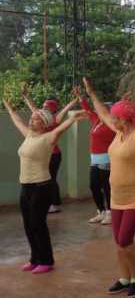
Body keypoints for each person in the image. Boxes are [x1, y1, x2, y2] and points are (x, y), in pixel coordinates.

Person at [83, 78, 135, 298]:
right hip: (117, 197)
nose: (112, 119)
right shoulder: (118, 132)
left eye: (116, 117)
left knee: (125, 239)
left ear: (125, 119)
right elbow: (103, 113)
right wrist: (92, 93)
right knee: (118, 242)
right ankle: (124, 277)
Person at [3, 98, 83, 274]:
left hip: (42, 186)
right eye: (32, 118)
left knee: (38, 223)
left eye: (36, 119)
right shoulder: (29, 135)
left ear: (45, 123)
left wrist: (74, 117)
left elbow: (62, 127)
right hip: (26, 186)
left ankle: (46, 260)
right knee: (28, 224)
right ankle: (34, 258)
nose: (32, 121)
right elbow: (16, 120)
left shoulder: (49, 137)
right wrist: (8, 106)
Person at [21, 83, 78, 213]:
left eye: (46, 106)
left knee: (50, 179)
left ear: (52, 109)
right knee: (48, 179)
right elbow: (32, 107)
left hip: (53, 154)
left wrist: (76, 99)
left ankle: (54, 203)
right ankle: (52, 203)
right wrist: (25, 95)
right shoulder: (39, 117)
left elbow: (66, 108)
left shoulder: (55, 119)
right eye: (43, 105)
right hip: (43, 154)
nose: (43, 107)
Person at [75, 87, 116, 225]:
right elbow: (87, 109)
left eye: (102, 109)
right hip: (94, 160)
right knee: (93, 186)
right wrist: (81, 97)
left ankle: (110, 213)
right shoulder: (96, 121)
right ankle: (101, 211)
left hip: (106, 160)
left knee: (107, 187)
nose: (98, 111)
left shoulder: (112, 125)